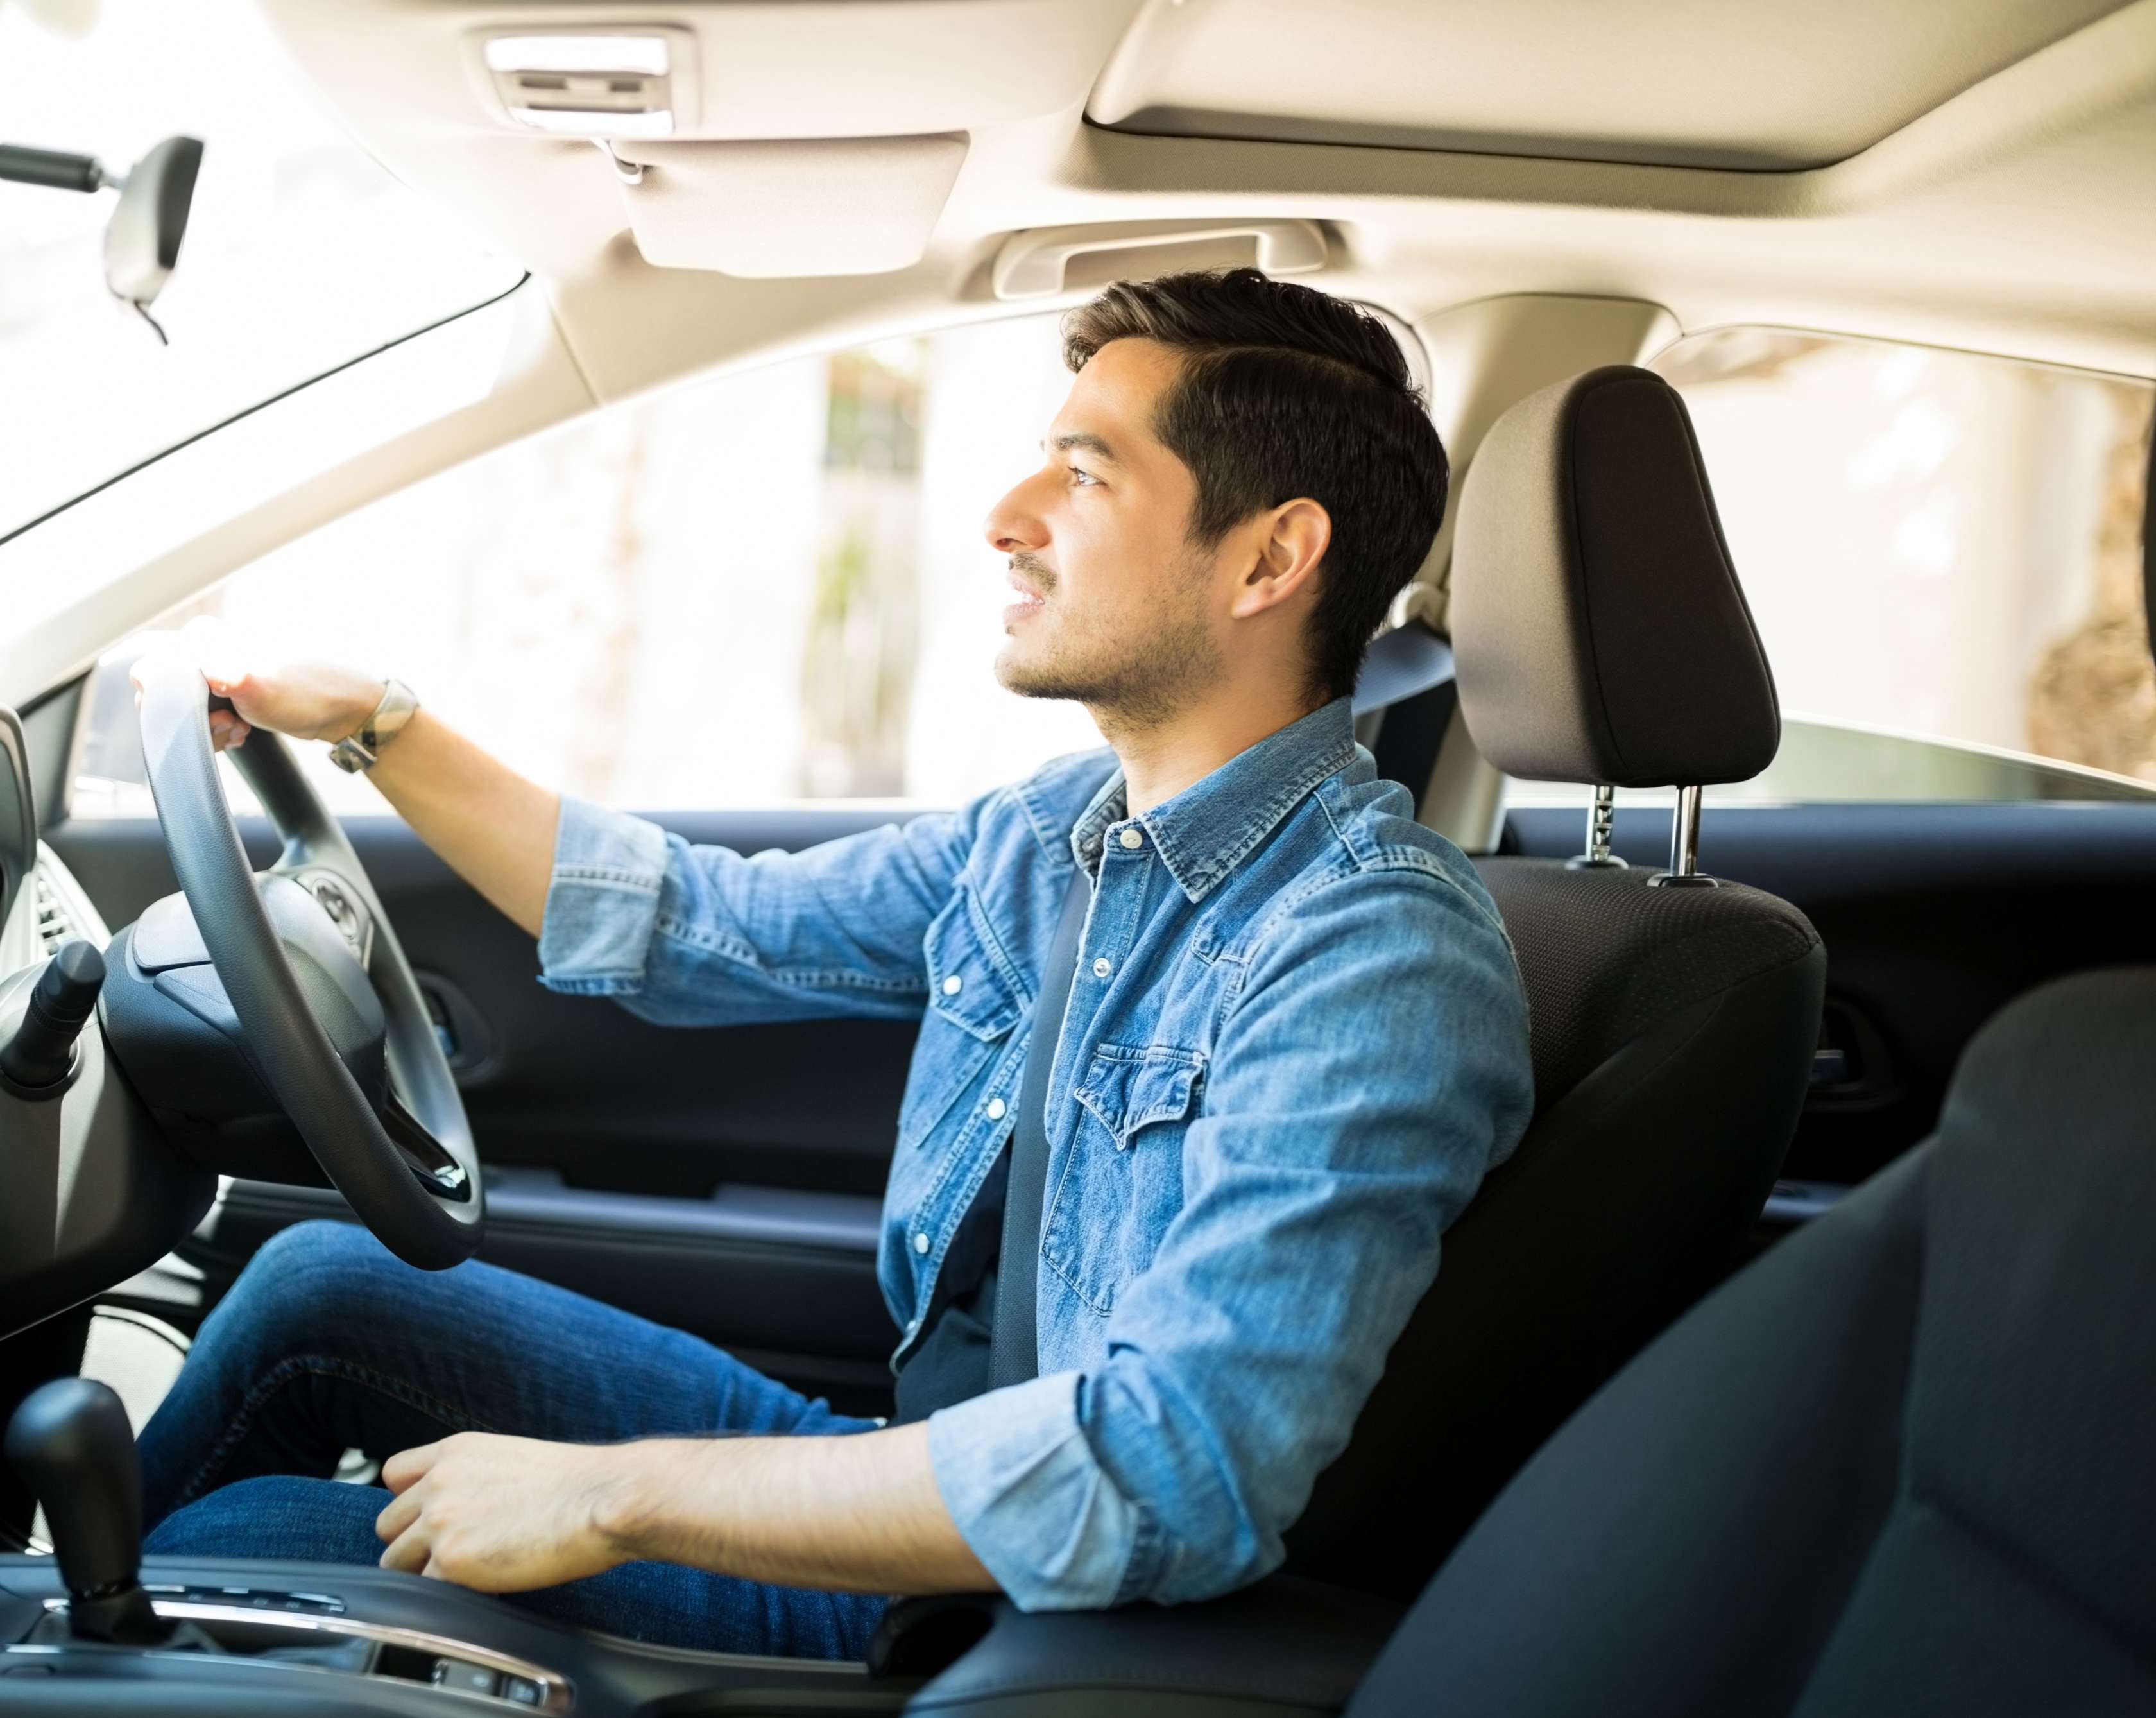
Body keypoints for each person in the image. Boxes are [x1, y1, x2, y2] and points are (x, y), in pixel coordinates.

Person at [135, 268, 1535, 1660]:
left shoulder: (1372, 949)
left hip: (998, 1607)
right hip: (909, 1450)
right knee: (318, 1285)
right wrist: (377, 723)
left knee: (240, 1541)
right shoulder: (1051, 837)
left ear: (1270, 560)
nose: (1007, 517)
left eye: (1084, 475)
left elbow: (1169, 1469)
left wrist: (615, 1497)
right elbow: (696, 922)